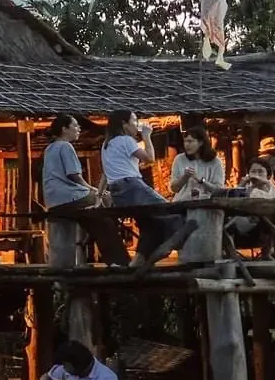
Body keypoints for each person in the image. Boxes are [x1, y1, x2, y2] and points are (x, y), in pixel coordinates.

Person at [103, 110, 192, 271]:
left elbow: (106, 172)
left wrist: (100, 192)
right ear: (124, 124)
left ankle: (137, 262)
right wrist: (146, 136)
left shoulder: (107, 144)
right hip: (132, 186)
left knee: (150, 226)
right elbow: (150, 158)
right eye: (134, 121)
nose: (136, 125)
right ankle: (178, 244)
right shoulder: (126, 140)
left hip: (118, 192)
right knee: (169, 210)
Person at [41, 113, 129, 266]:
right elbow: (74, 175)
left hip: (53, 201)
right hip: (70, 197)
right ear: (64, 129)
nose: (78, 128)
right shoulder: (65, 146)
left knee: (95, 214)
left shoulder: (49, 149)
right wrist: (94, 190)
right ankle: (118, 261)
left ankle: (85, 243)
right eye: (75, 125)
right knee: (104, 207)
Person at [225, 158, 275, 254]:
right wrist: (241, 185)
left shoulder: (273, 190)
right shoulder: (245, 190)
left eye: (260, 172)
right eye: (253, 171)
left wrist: (266, 182)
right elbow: (231, 203)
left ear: (268, 175)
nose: (256, 175)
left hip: (268, 229)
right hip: (243, 230)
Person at [169, 126, 225, 203]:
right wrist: (184, 177)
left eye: (190, 141)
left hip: (207, 204)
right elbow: (174, 189)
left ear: (200, 143)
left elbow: (219, 191)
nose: (186, 145)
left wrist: (201, 180)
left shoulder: (215, 162)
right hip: (183, 203)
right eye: (185, 141)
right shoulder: (179, 159)